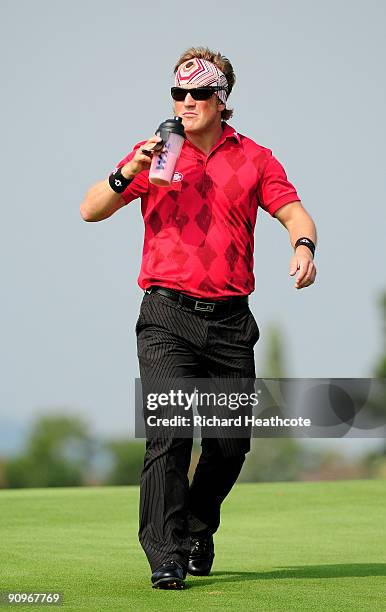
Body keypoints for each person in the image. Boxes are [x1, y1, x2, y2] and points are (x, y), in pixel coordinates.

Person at [80, 46, 317, 590]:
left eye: (198, 93)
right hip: (166, 314)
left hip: (231, 321)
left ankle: (194, 525)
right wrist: (128, 172)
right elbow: (90, 207)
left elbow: (293, 210)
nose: (186, 102)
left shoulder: (255, 158)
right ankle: (165, 553)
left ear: (221, 99)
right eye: (177, 93)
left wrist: (303, 245)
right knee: (170, 429)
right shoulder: (159, 151)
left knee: (230, 443)